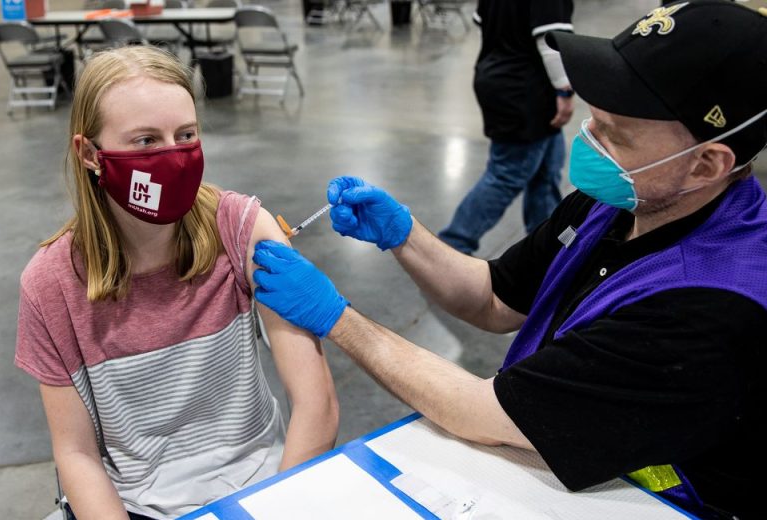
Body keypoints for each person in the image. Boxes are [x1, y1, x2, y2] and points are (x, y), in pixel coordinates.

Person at [251, 1, 767, 517]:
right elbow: (496, 298)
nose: (589, 139)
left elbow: (482, 412)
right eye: (595, 119)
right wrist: (404, 235)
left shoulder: (714, 304)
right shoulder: (622, 199)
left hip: (664, 502)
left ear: (705, 164)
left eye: (617, 135)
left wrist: (336, 317)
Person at [14, 46, 338, 520]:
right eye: (145, 141)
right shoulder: (51, 284)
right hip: (135, 504)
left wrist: (276, 507)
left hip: (262, 488)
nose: (174, 158)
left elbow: (317, 404)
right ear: (89, 154)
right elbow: (77, 455)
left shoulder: (243, 230)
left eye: (185, 135)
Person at [437, 0, 575, 255]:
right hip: (523, 89)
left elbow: (484, 24)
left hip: (503, 77)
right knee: (506, 175)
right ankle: (451, 247)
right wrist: (564, 91)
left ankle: (547, 249)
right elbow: (551, 40)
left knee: (546, 172)